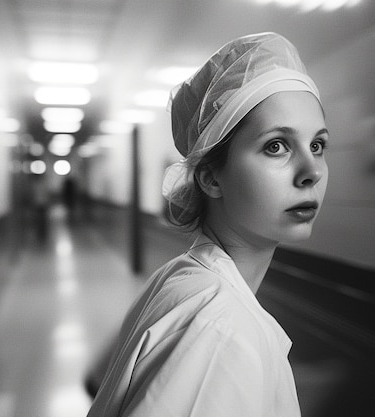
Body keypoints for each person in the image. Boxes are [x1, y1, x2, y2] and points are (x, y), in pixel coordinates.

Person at [86, 32, 329, 417]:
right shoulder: (220, 330)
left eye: (317, 145)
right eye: (276, 146)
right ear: (211, 178)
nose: (311, 171)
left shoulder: (180, 277)